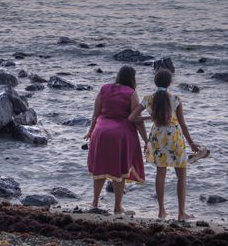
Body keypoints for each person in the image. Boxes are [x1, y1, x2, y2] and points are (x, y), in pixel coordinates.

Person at [129, 68, 200, 221]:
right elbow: (183, 124)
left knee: (160, 173)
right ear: (170, 83)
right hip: (174, 137)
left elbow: (132, 118)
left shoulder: (148, 99)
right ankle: (181, 213)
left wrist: (150, 118)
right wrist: (192, 143)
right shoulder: (175, 99)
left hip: (157, 137)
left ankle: (161, 211)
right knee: (181, 175)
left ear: (155, 82)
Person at [85, 66, 148, 214]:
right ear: (133, 78)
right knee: (119, 171)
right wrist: (146, 139)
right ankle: (117, 206)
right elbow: (136, 120)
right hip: (120, 134)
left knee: (99, 169)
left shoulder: (104, 88)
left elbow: (96, 114)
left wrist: (90, 131)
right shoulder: (131, 93)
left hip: (100, 132)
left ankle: (94, 202)